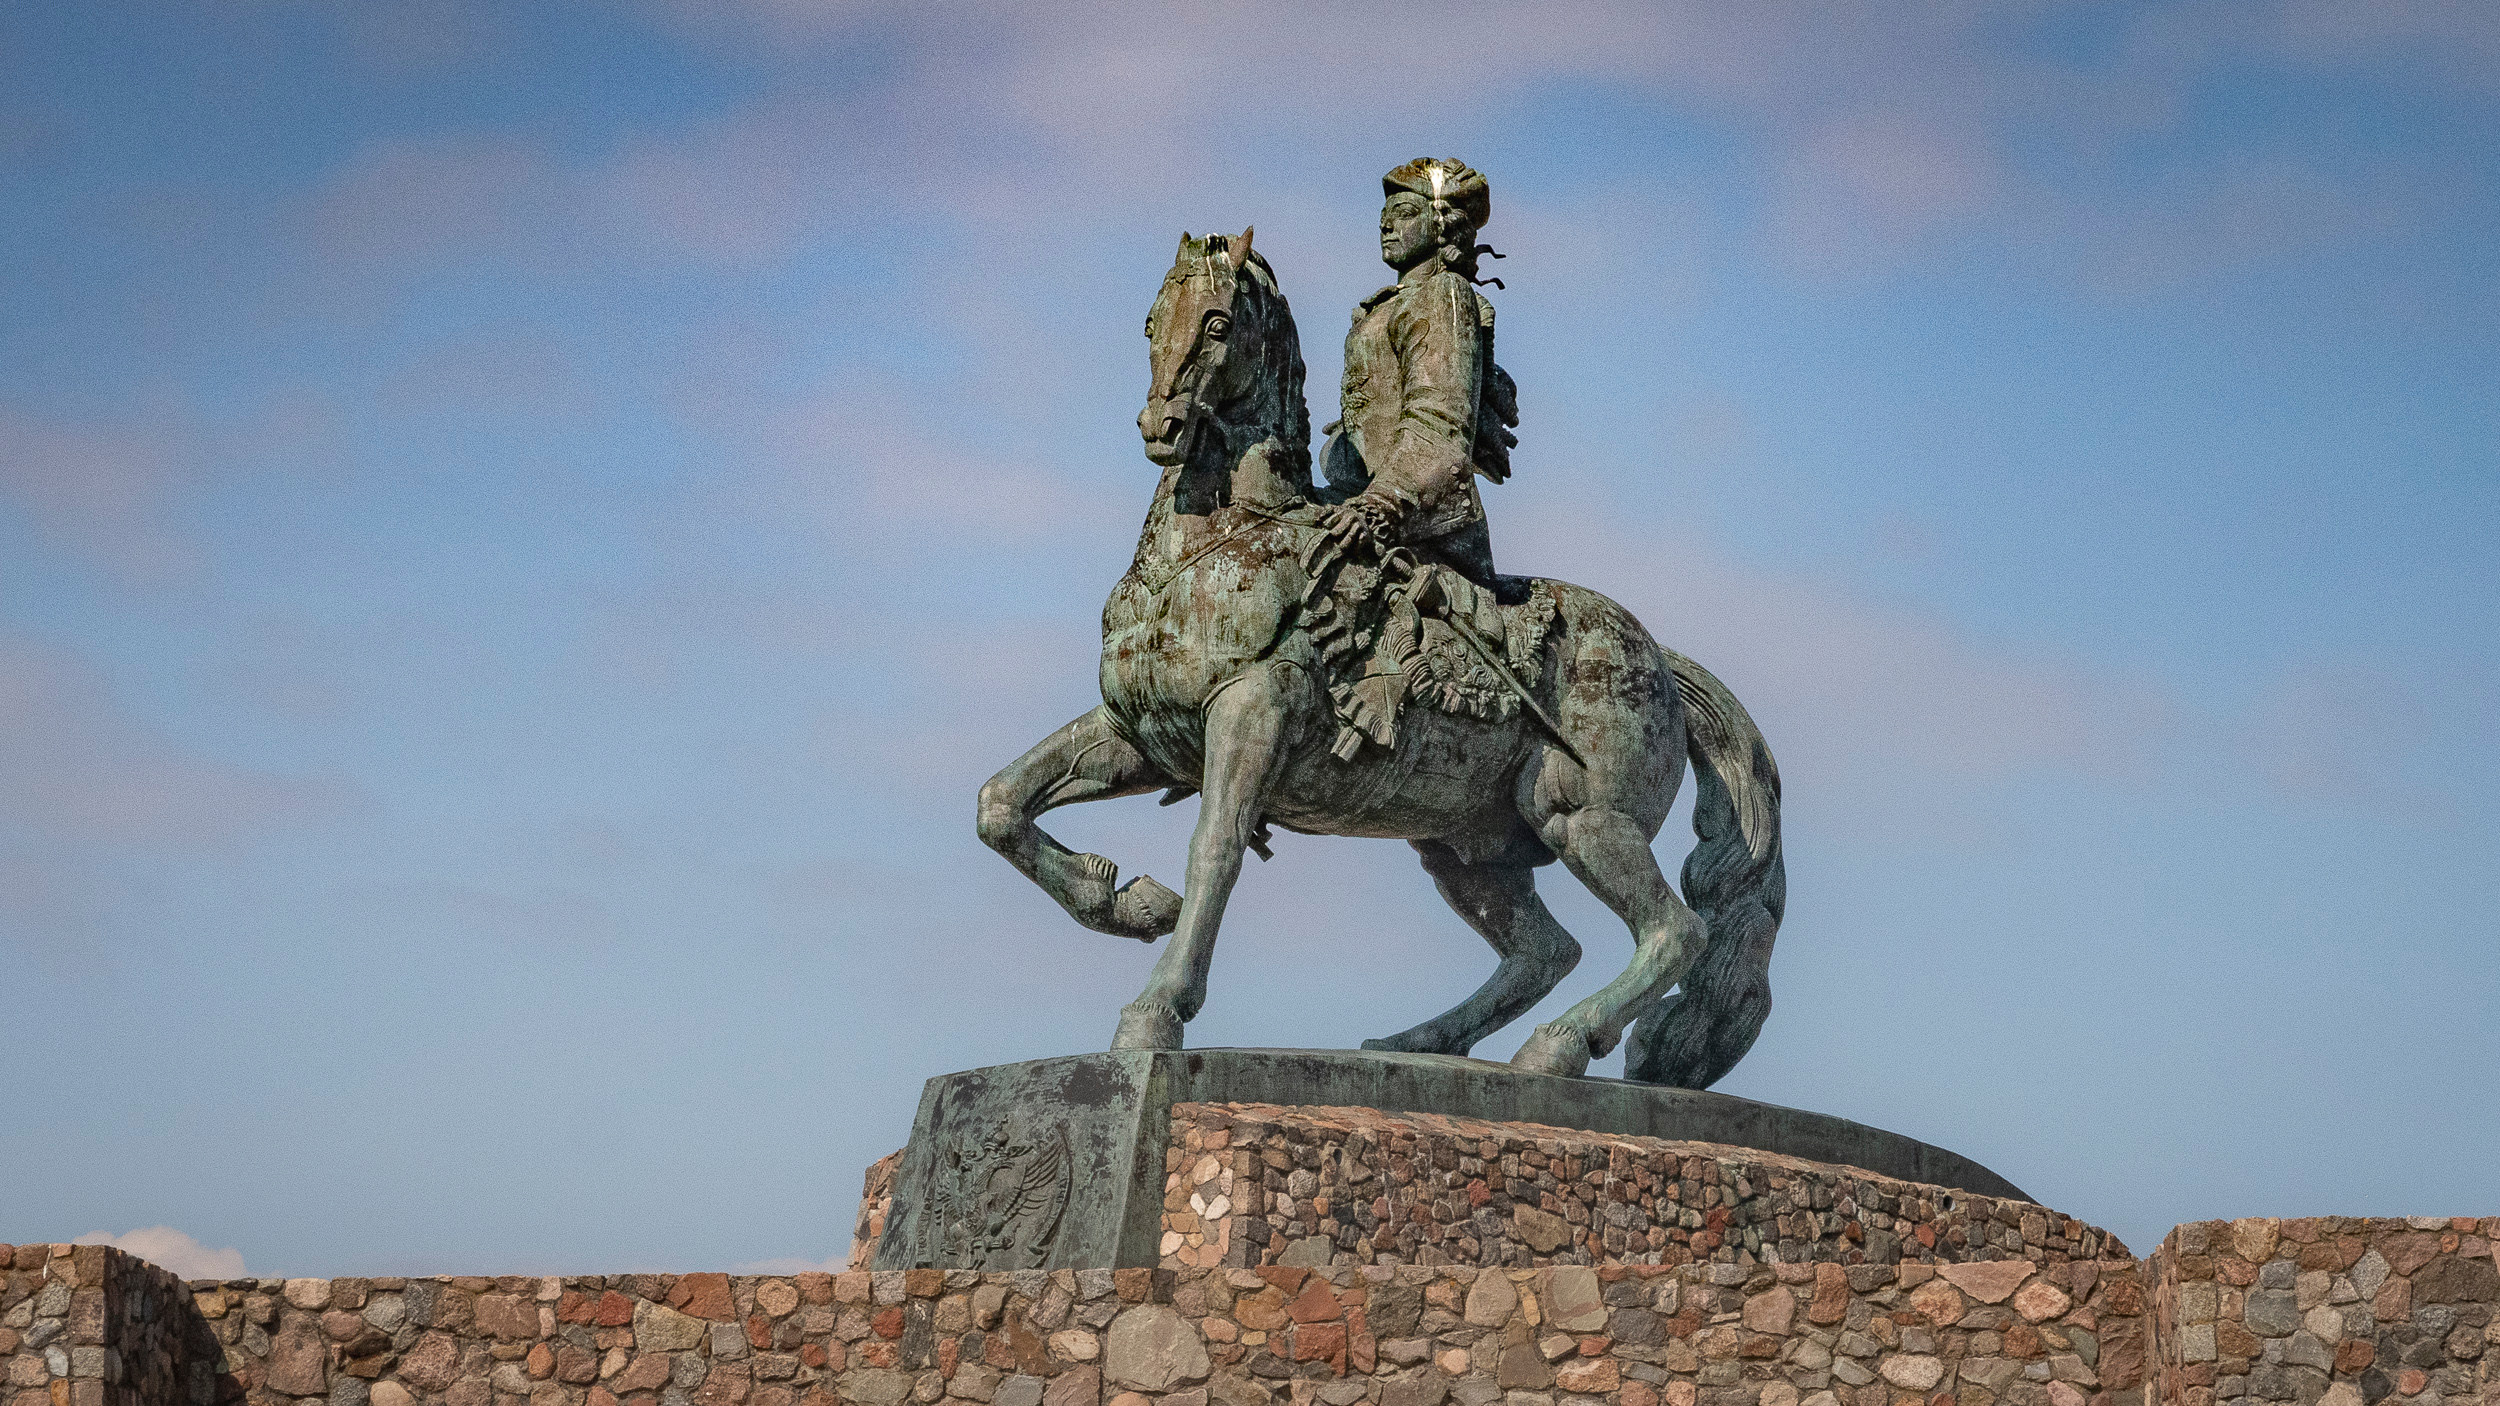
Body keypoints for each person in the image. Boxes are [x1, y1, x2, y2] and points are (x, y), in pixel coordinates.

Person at [1308, 157, 1517, 591]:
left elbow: (1439, 425)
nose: (1386, 226)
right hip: (1367, 506)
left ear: (1442, 224)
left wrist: (1378, 505)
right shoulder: (1382, 307)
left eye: (1403, 214)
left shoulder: (1444, 294)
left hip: (1420, 523)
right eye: (1383, 218)